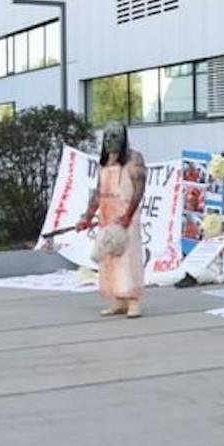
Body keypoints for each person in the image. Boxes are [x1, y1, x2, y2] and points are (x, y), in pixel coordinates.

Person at [76, 123, 148, 318]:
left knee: (128, 258)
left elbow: (139, 189)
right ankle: (118, 299)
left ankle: (133, 301)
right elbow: (98, 192)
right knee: (109, 260)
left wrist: (128, 215)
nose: (110, 141)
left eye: (114, 137)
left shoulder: (135, 159)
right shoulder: (105, 162)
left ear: (123, 138)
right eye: (106, 137)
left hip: (125, 217)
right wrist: (87, 216)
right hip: (107, 217)